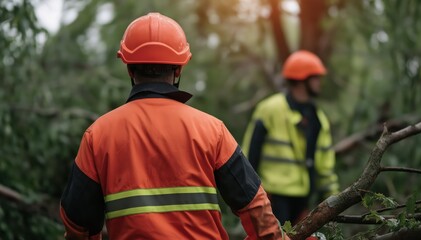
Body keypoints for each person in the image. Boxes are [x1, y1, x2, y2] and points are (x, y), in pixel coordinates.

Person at [59, 12, 288, 240]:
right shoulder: (211, 129)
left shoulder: (98, 135)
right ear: (179, 69)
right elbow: (254, 205)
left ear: (129, 69)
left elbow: (78, 223)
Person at [242, 50, 339, 225]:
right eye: (316, 77)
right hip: (272, 197)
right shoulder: (270, 109)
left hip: (302, 200)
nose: (320, 82)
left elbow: (325, 164)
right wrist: (251, 196)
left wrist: (334, 198)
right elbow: (250, 154)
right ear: (303, 80)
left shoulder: (319, 119)